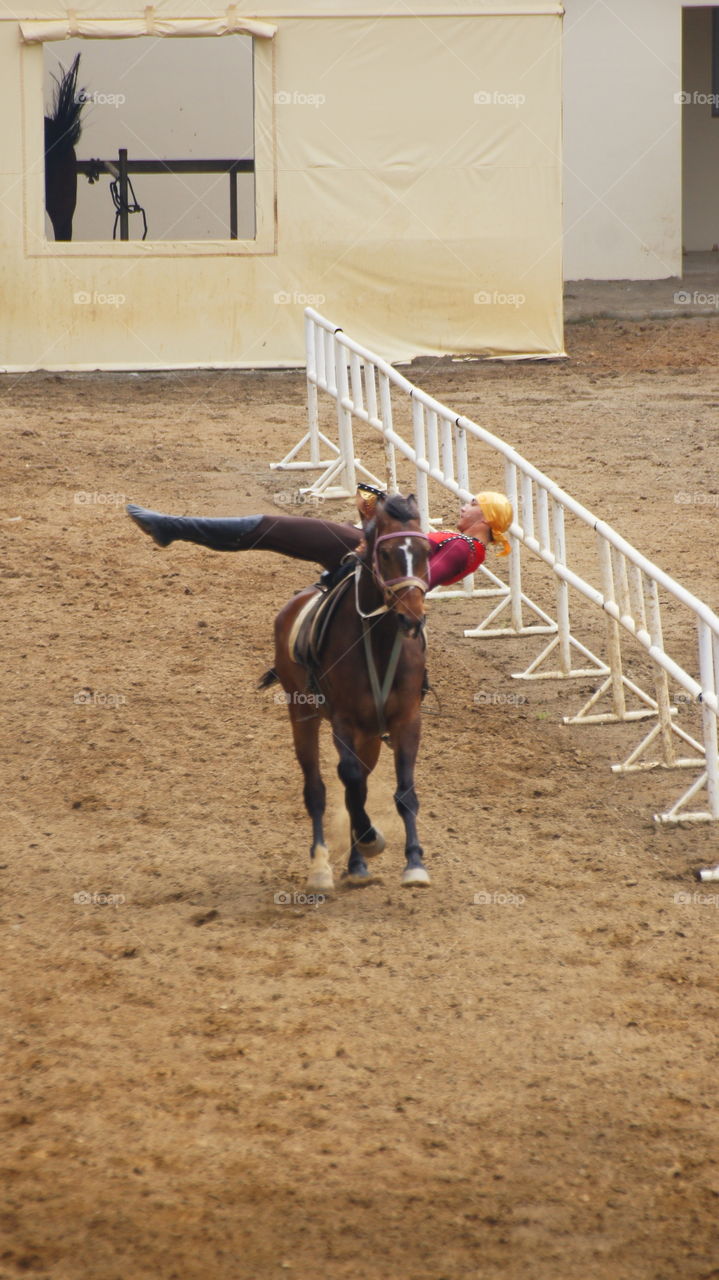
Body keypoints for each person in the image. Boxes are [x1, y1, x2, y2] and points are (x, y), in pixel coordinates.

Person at [126, 487, 513, 590]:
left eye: (472, 504)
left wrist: (371, 532)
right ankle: (171, 527)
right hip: (369, 551)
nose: (464, 506)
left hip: (365, 556)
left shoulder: (465, 546)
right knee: (269, 532)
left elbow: (418, 578)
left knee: (269, 528)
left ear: (487, 517)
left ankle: (171, 527)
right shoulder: (469, 547)